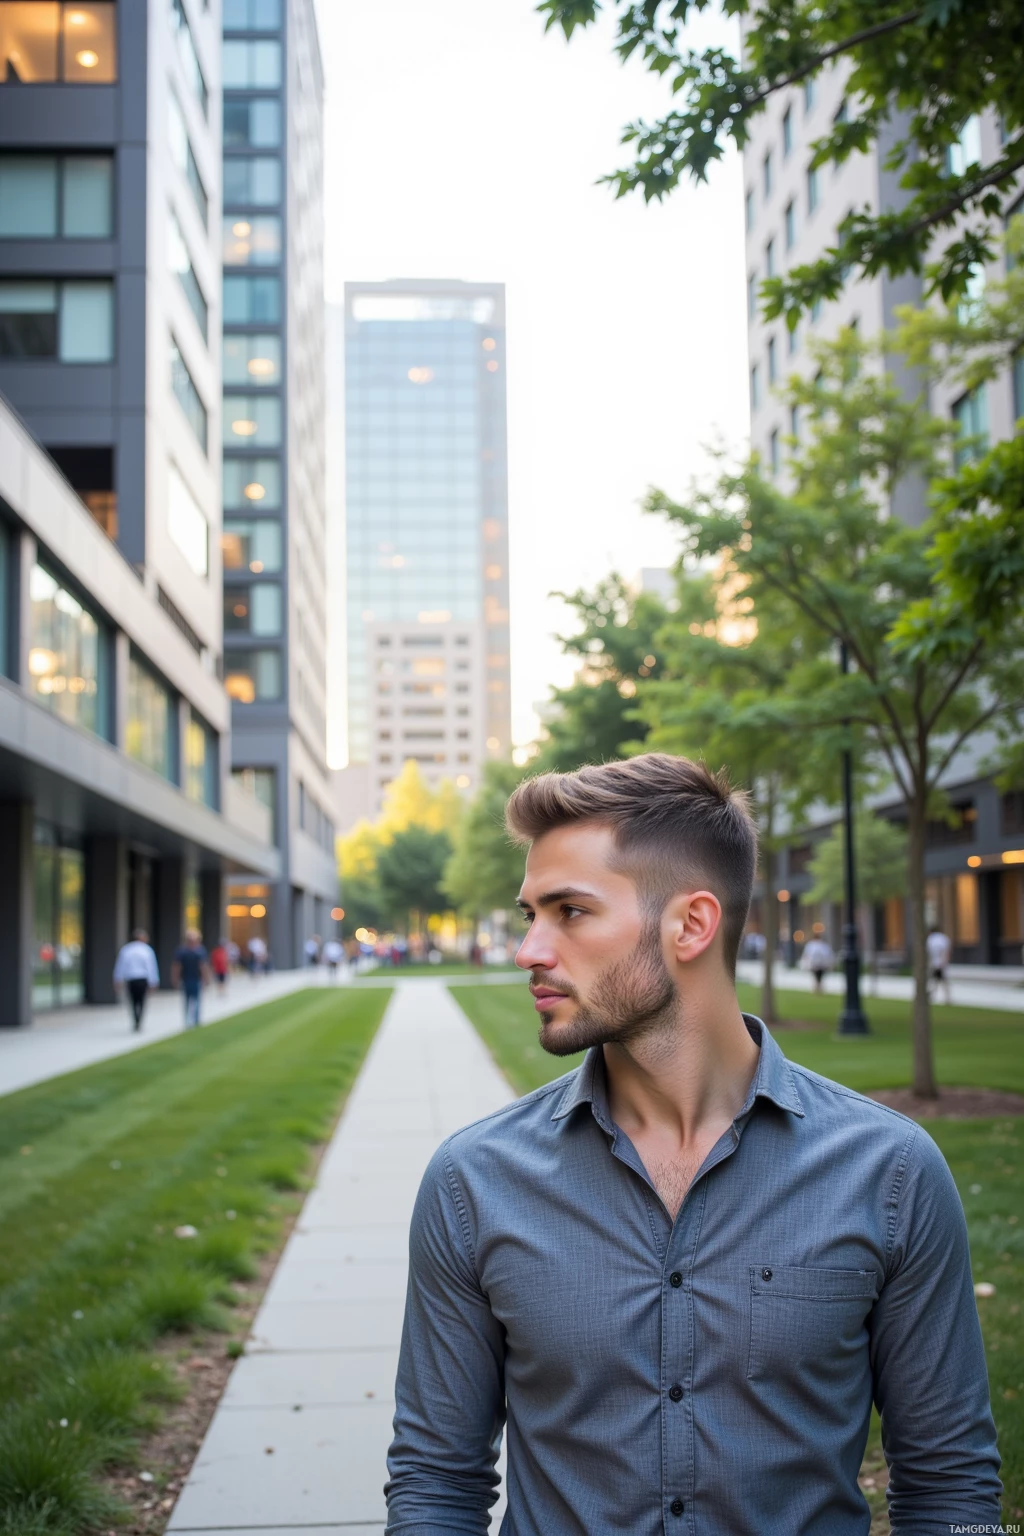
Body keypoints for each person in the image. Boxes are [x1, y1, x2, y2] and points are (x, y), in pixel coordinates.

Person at [385, 754, 1002, 1534]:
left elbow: (950, 1485)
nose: (529, 951)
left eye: (569, 912)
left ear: (691, 924)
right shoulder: (473, 1183)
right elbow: (435, 1482)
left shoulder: (891, 1174)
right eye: (529, 915)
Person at [112, 928, 159, 1031]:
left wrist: (117, 979)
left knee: (133, 1000)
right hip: (142, 979)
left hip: (131, 979)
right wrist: (153, 981)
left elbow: (120, 966)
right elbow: (151, 967)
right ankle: (139, 1019)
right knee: (141, 1000)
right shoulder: (146, 950)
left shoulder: (127, 949)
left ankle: (136, 1019)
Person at [172, 929, 210, 1028]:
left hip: (196, 979)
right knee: (187, 1000)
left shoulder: (200, 951)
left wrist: (206, 979)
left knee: (197, 1000)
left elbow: (203, 966)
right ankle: (188, 1020)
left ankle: (196, 1020)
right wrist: (175, 979)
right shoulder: (182, 951)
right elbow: (177, 966)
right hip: (186, 979)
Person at [927, 924, 953, 1004]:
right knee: (941, 980)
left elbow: (929, 953)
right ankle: (946, 998)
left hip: (935, 963)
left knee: (936, 980)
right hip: (941, 963)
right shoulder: (943, 938)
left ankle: (934, 997)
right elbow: (946, 952)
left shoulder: (930, 939)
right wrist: (944, 962)